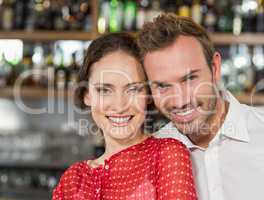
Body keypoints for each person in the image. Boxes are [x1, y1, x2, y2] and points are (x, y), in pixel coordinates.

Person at [137, 13, 264, 200]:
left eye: (190, 79)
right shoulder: (149, 158)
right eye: (163, 86)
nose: (179, 101)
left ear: (215, 68)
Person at [52, 33, 197, 200]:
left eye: (133, 89)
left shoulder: (168, 155)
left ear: (148, 95)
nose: (120, 106)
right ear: (87, 95)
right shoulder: (73, 180)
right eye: (104, 90)